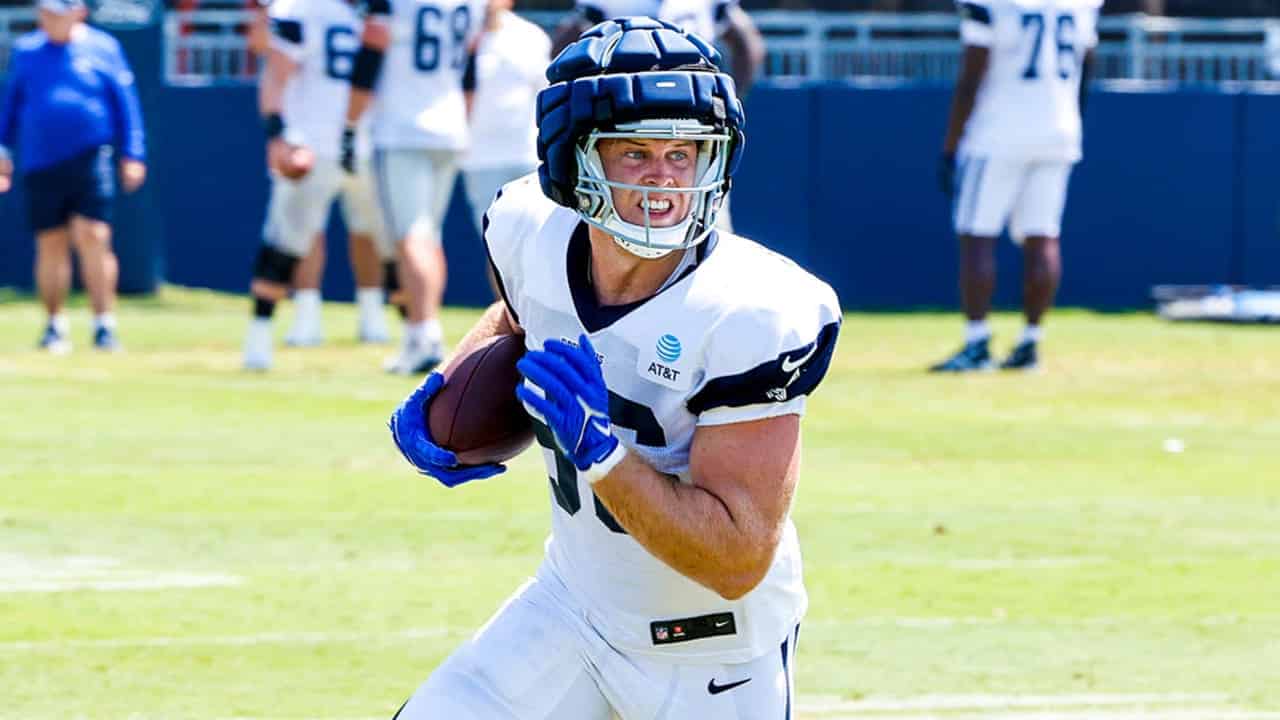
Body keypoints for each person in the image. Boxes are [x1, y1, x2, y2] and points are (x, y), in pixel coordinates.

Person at [387, 18, 841, 718]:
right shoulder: (527, 228)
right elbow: (518, 315)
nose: (665, 179)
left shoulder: (754, 311)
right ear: (574, 159)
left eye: (684, 152)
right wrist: (449, 393)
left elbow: (737, 558)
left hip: (710, 652)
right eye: (634, 153)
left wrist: (602, 454)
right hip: (572, 604)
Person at [932, 0, 1100, 372]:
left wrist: (950, 145)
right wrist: (1070, 116)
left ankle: (977, 342)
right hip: (1059, 130)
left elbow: (972, 75)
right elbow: (1088, 63)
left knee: (977, 235)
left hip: (997, 131)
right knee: (1043, 236)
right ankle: (1030, 342)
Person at [242, 0, 393, 370]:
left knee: (376, 238)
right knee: (295, 238)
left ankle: (262, 336)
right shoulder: (306, 9)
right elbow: (274, 59)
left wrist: (278, 132)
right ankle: (275, 329)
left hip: (342, 138)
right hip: (343, 137)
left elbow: (274, 67)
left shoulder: (301, 9)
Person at [343, 0, 486, 375]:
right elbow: (471, 65)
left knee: (412, 237)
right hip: (450, 124)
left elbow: (372, 47)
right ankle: (420, 333)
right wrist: (464, 120)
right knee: (428, 235)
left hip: (404, 128)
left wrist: (349, 122)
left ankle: (425, 334)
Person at [0, 0, 145, 353]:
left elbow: (127, 104)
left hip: (91, 157)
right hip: (39, 161)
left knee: (93, 235)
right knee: (51, 242)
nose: (47, 19)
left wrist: (134, 153)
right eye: (43, 12)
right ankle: (54, 325)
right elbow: (9, 106)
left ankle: (104, 326)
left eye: (55, 12)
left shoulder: (104, 48)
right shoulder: (27, 50)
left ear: (78, 12)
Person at [551, 0, 761, 233]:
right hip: (624, 123)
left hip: (691, 125)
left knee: (709, 215)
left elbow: (746, 42)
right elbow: (565, 43)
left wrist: (728, 102)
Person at [460, 0, 549, 239]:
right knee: (496, 243)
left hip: (529, 158)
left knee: (539, 238)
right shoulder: (457, 35)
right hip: (480, 161)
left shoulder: (531, 36)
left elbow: (544, 95)